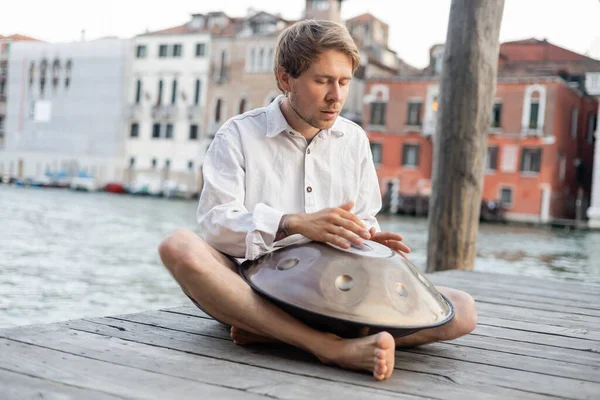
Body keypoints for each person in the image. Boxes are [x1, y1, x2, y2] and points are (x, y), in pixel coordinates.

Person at [158, 19, 477, 381]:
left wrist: (367, 241)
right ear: (285, 78)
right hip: (252, 285)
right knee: (178, 246)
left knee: (461, 310)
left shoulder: (354, 140)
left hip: (329, 294)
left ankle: (276, 334)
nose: (335, 96)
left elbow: (365, 216)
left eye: (343, 82)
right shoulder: (237, 134)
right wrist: (290, 222)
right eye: (322, 80)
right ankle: (328, 347)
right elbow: (216, 226)